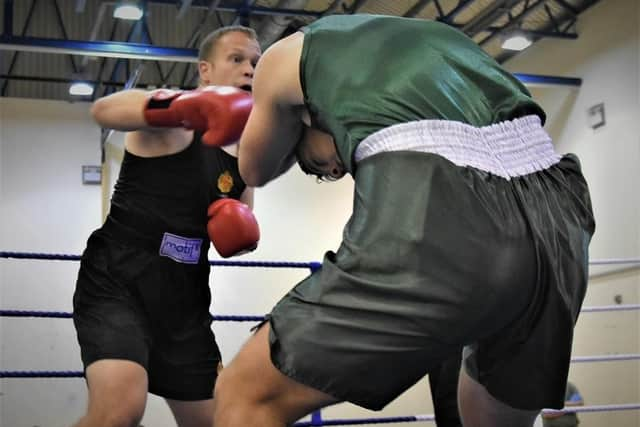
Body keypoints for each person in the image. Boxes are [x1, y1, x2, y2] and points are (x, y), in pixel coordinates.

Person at [212, 14, 596, 427]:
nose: (337, 170)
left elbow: (253, 169)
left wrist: (254, 115)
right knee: (485, 418)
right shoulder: (437, 37)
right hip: (560, 213)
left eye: (319, 167)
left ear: (305, 114)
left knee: (244, 395)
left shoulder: (281, 58)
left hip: (447, 204)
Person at [72, 26, 260, 427]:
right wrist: (172, 105)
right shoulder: (177, 120)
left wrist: (241, 232)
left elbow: (241, 232)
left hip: (186, 295)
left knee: (220, 420)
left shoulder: (246, 150)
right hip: (119, 278)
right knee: (118, 412)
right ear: (206, 70)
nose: (250, 70)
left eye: (256, 63)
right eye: (238, 59)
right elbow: (104, 111)